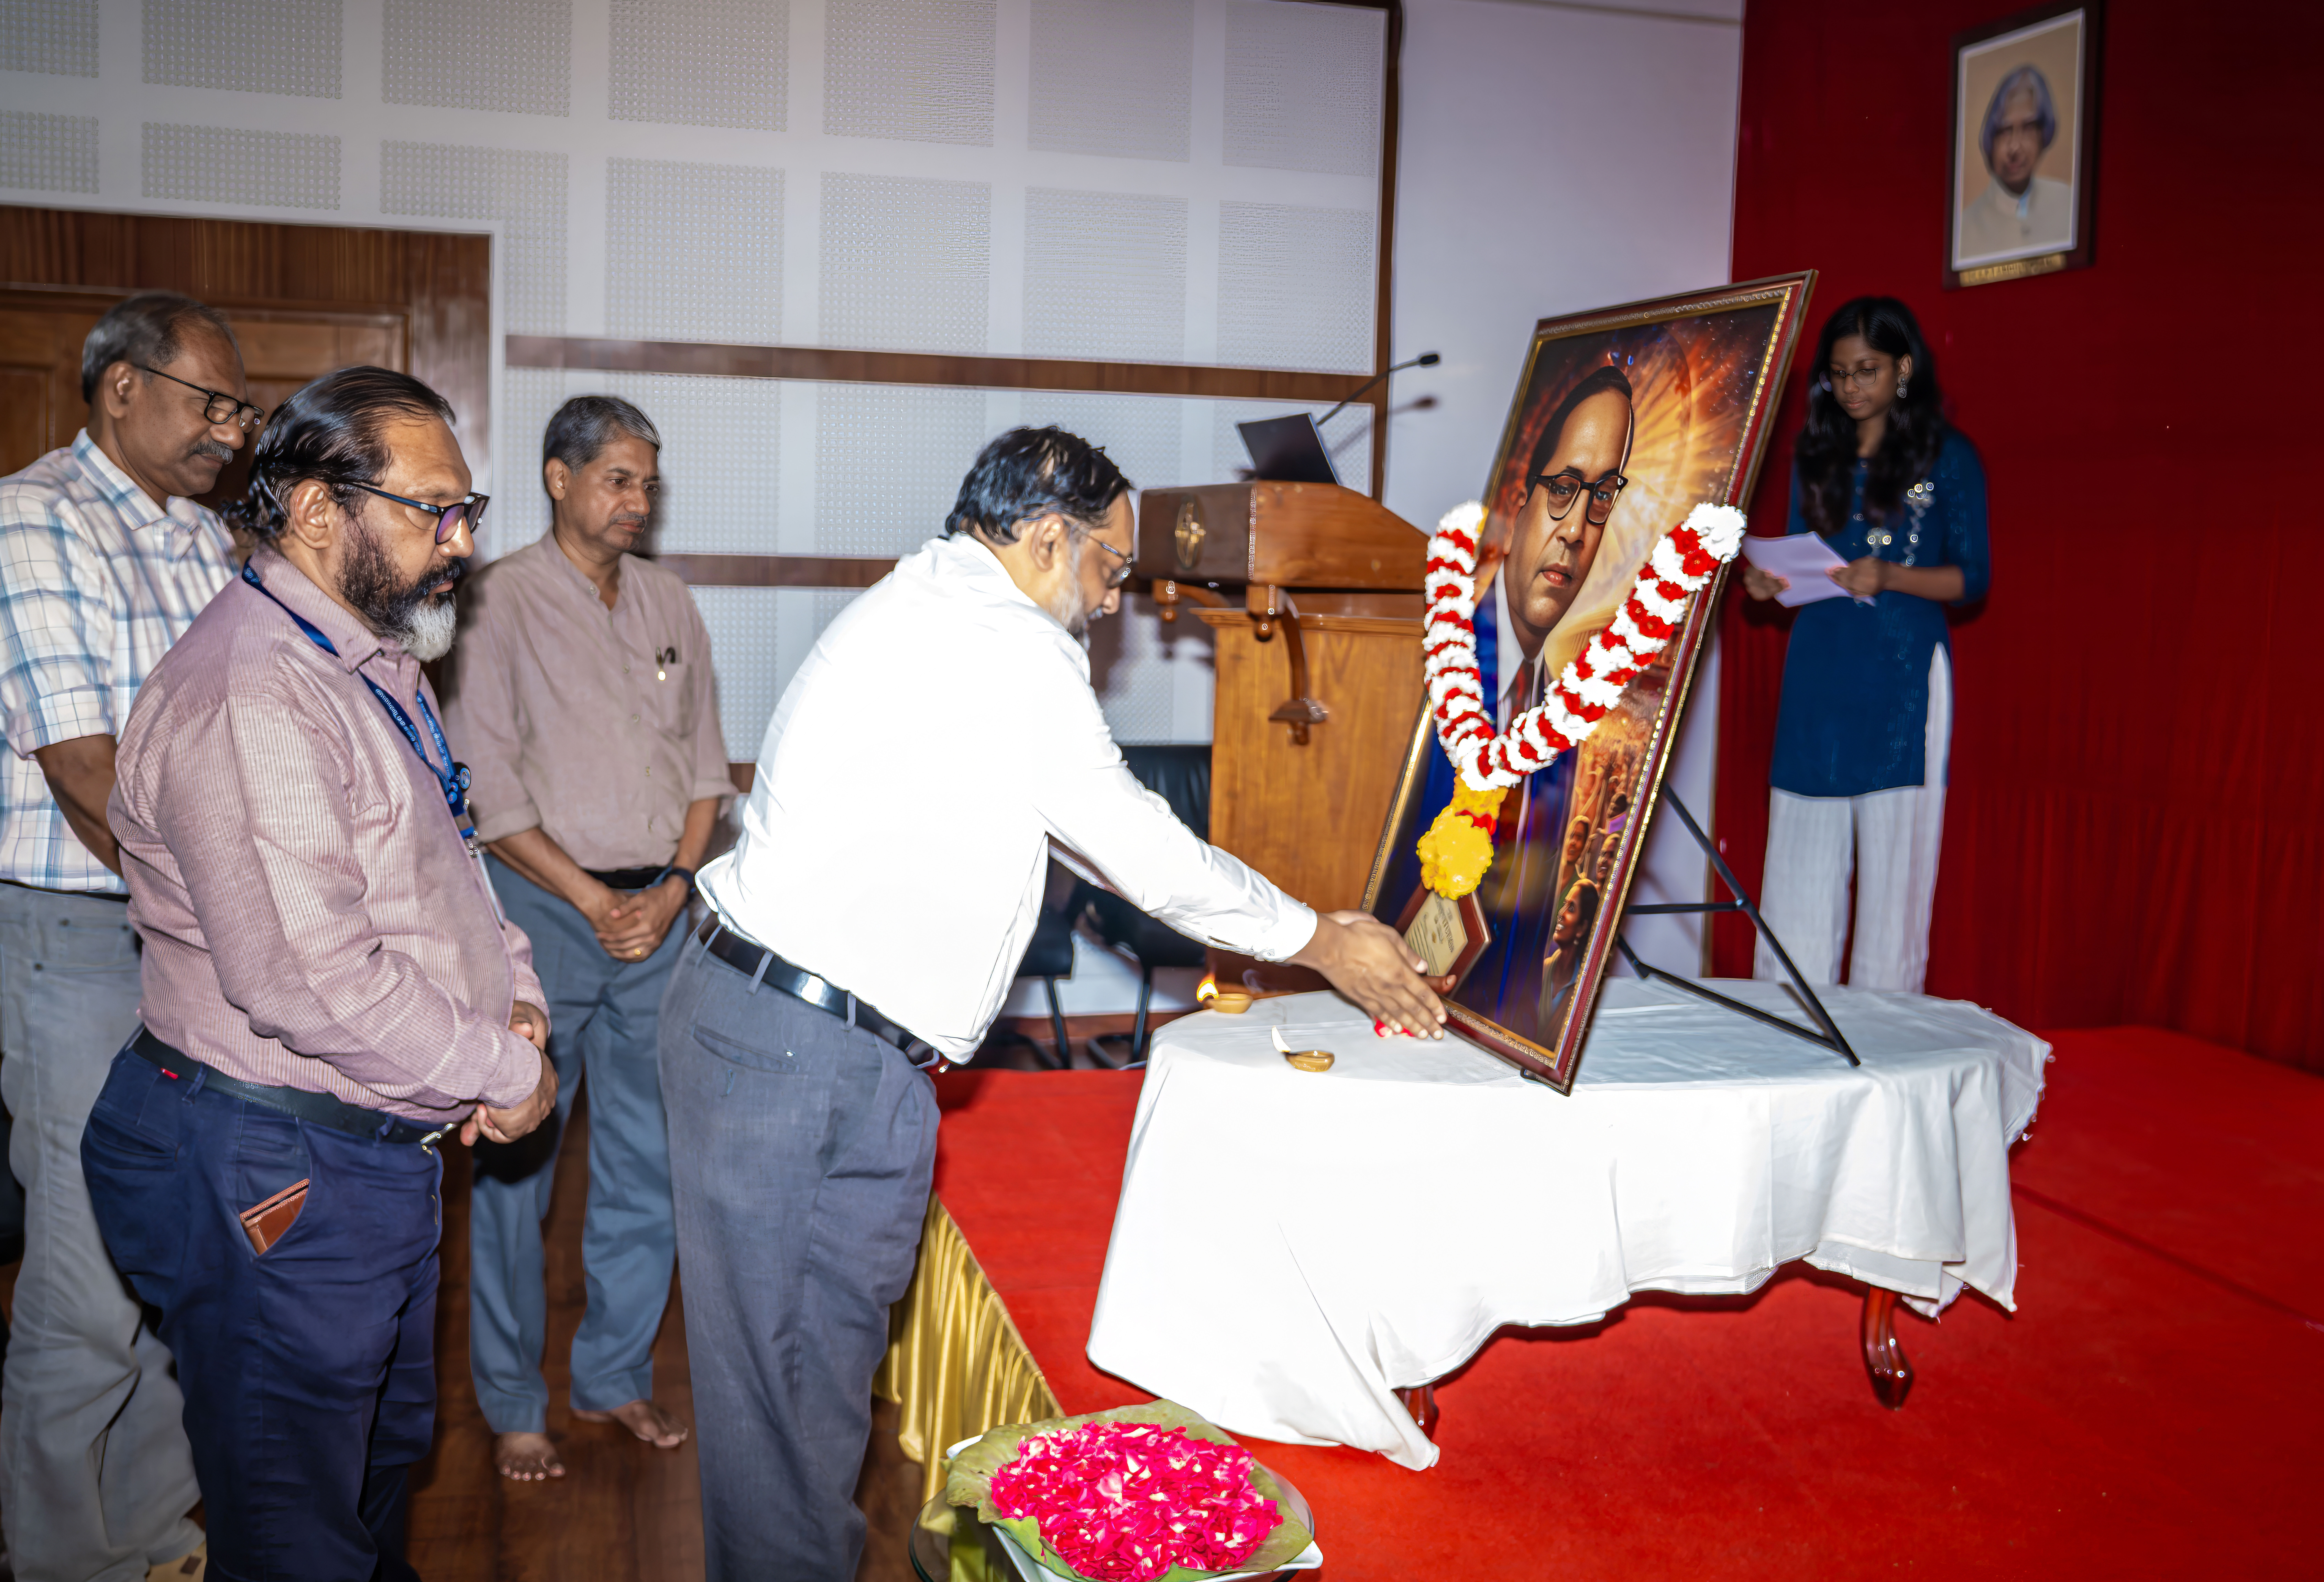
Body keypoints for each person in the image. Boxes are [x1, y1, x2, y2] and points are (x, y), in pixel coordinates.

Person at [665, 426, 1446, 1580]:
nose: (1115, 599)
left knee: (804, 1414)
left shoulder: (938, 607)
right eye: (1110, 565)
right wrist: (1320, 939)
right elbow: (1140, 849)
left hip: (784, 1035)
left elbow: (1075, 837)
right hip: (800, 1059)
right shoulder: (1006, 644)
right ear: (1045, 538)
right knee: (782, 1430)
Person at [79, 367, 559, 1578]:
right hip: (278, 1157)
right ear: (311, 509)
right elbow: (307, 978)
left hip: (367, 1146)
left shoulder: (369, 661)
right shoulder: (257, 686)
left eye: (466, 511)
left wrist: (517, 999)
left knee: (375, 1469)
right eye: (432, 511)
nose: (460, 543)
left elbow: (449, 866)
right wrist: (501, 1066)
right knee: (296, 1525)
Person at [0, 290, 254, 1582]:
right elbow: (85, 770)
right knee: (88, 1276)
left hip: (194, 934)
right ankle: (63, 1558)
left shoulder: (205, 540)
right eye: (211, 403)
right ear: (120, 388)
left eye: (240, 410)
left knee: (181, 1251)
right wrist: (233, 917)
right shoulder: (34, 516)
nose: (231, 431)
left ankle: (152, 1532)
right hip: (84, 931)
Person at [442, 395, 728, 1482]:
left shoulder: (669, 601)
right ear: (558, 479)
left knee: (648, 1161)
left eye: (647, 482)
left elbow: (707, 769)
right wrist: (594, 898)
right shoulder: (495, 601)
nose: (636, 500)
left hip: (660, 919)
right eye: (617, 479)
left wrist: (672, 886)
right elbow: (488, 793)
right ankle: (515, 1403)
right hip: (543, 916)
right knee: (516, 1164)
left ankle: (613, 1375)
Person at [1741, 297, 1990, 991]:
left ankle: (1882, 1040)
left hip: (1902, 679)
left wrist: (1890, 576)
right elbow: (1803, 556)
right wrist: (1768, 583)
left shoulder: (1948, 455)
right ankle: (1790, 1032)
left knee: (1892, 894)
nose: (1851, 387)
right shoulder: (1814, 455)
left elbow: (1972, 578)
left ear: (1902, 367)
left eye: (1867, 370)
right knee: (1797, 871)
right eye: (1839, 373)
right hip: (1817, 674)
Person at [1491, 364, 1635, 720]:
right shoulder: (1442, 658)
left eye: (1602, 496)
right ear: (1515, 507)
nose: (1575, 532)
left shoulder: (1564, 720)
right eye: (1562, 488)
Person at [1957, 64, 2073, 260]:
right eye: (2005, 131)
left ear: (2043, 134)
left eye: (2028, 128)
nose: (2015, 147)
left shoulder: (2068, 204)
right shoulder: (1965, 229)